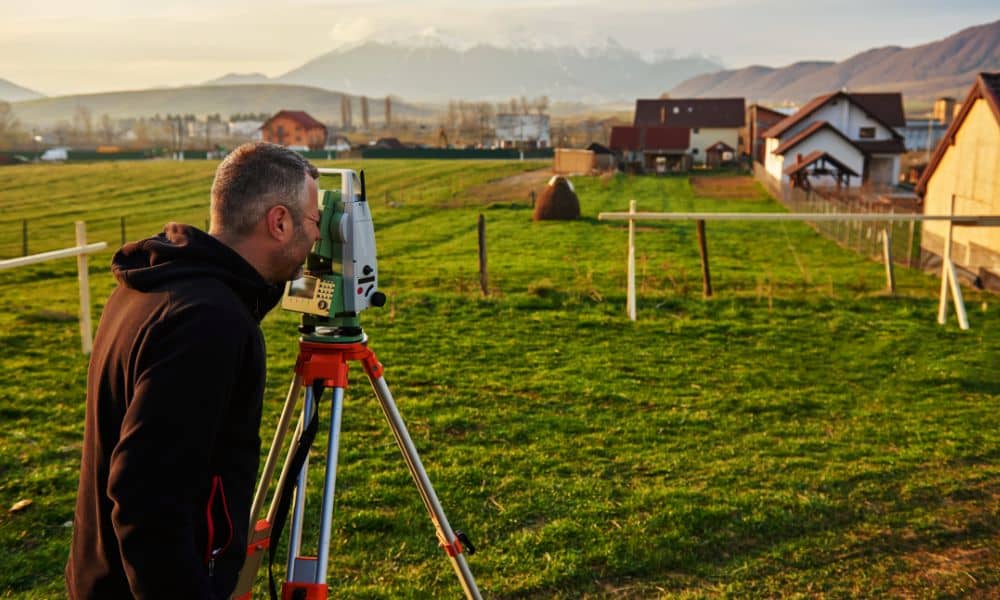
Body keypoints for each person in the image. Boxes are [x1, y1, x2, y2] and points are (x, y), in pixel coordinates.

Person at [66, 142, 321, 599]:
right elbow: (146, 497)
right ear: (279, 222)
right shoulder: (208, 321)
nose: (317, 240)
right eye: (315, 223)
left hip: (103, 575)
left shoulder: (152, 286)